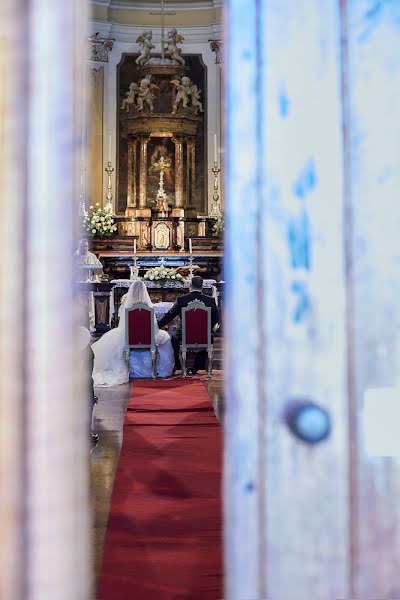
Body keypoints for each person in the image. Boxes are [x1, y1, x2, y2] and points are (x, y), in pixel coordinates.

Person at [92, 280, 174, 386]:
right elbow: (154, 327)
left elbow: (122, 325)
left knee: (114, 339)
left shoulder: (126, 308)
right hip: (147, 337)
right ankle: (160, 369)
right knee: (166, 337)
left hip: (129, 336)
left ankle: (128, 369)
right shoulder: (149, 308)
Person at [157, 276, 219, 374]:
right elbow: (216, 319)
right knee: (208, 337)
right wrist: (206, 329)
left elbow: (170, 315)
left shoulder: (181, 300)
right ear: (202, 287)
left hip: (183, 336)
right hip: (204, 336)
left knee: (173, 339)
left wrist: (157, 325)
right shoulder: (210, 301)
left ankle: (179, 366)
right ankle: (197, 367)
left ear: (190, 285)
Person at [74, 239, 103, 331]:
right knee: (79, 305)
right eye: (83, 247)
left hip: (89, 285)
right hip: (78, 287)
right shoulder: (74, 257)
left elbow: (99, 268)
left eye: (86, 246)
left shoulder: (92, 256)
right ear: (79, 247)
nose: (85, 248)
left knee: (90, 305)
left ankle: (90, 324)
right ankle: (79, 324)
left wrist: (95, 273)